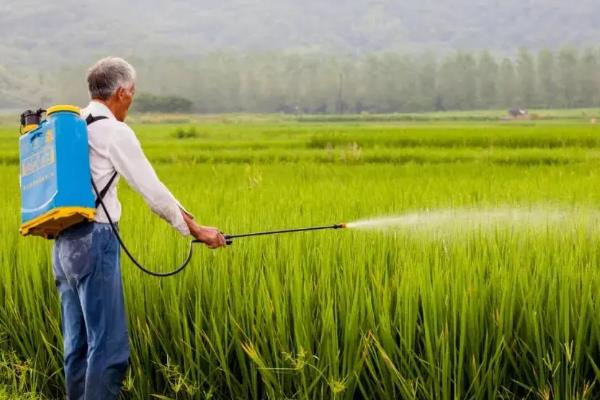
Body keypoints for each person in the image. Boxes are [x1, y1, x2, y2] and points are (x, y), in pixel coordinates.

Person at [51, 56, 226, 399]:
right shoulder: (113, 131)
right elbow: (154, 192)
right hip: (95, 240)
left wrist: (191, 224)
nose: (132, 98)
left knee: (78, 345)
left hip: (62, 244)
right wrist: (195, 230)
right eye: (132, 92)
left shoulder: (72, 126)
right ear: (122, 93)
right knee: (109, 348)